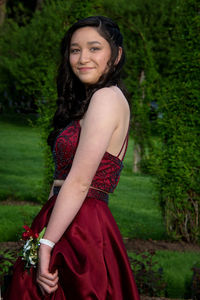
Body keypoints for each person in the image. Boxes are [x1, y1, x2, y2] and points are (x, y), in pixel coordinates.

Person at [5, 16, 140, 300]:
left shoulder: (105, 98)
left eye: (94, 48)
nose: (82, 58)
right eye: (75, 49)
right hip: (65, 218)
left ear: (116, 55)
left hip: (81, 227)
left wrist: (46, 244)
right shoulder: (96, 99)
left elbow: (79, 181)